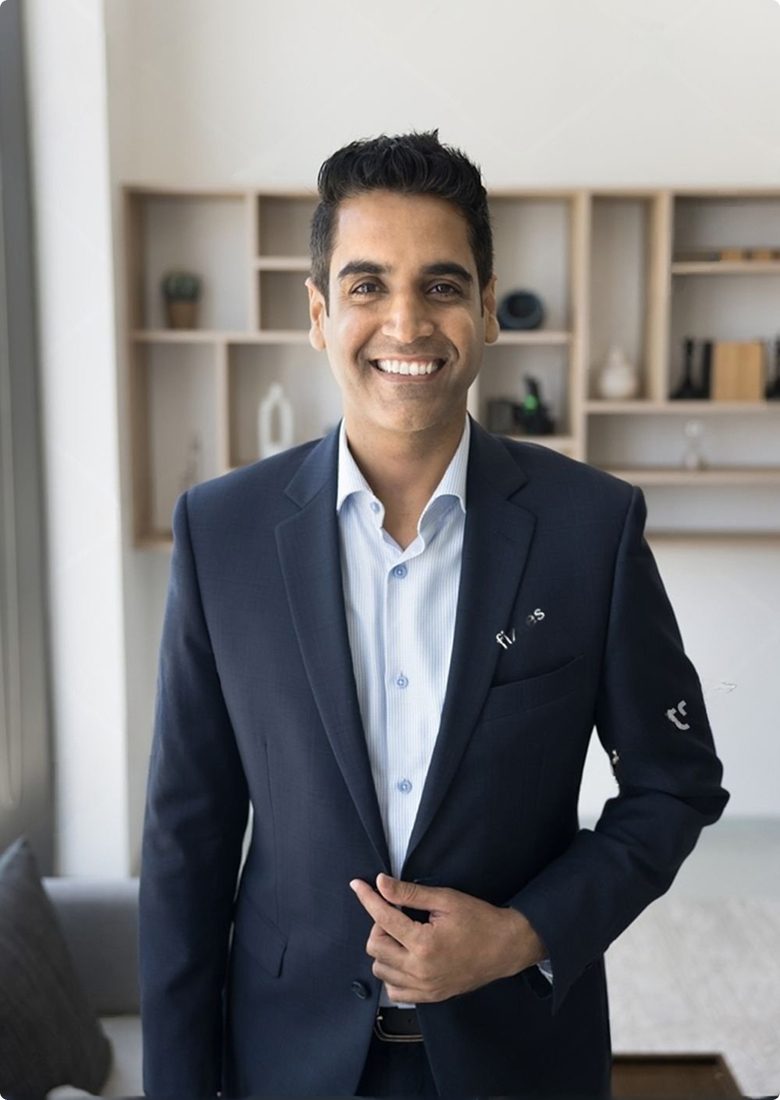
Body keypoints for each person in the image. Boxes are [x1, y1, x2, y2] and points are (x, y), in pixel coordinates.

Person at [139, 131, 729, 1099]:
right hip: (287, 1058)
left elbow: (674, 782)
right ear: (320, 312)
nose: (405, 322)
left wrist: (525, 930)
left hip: (519, 1054)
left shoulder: (592, 525)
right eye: (367, 286)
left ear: (488, 308)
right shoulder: (223, 531)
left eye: (443, 285)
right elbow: (187, 836)